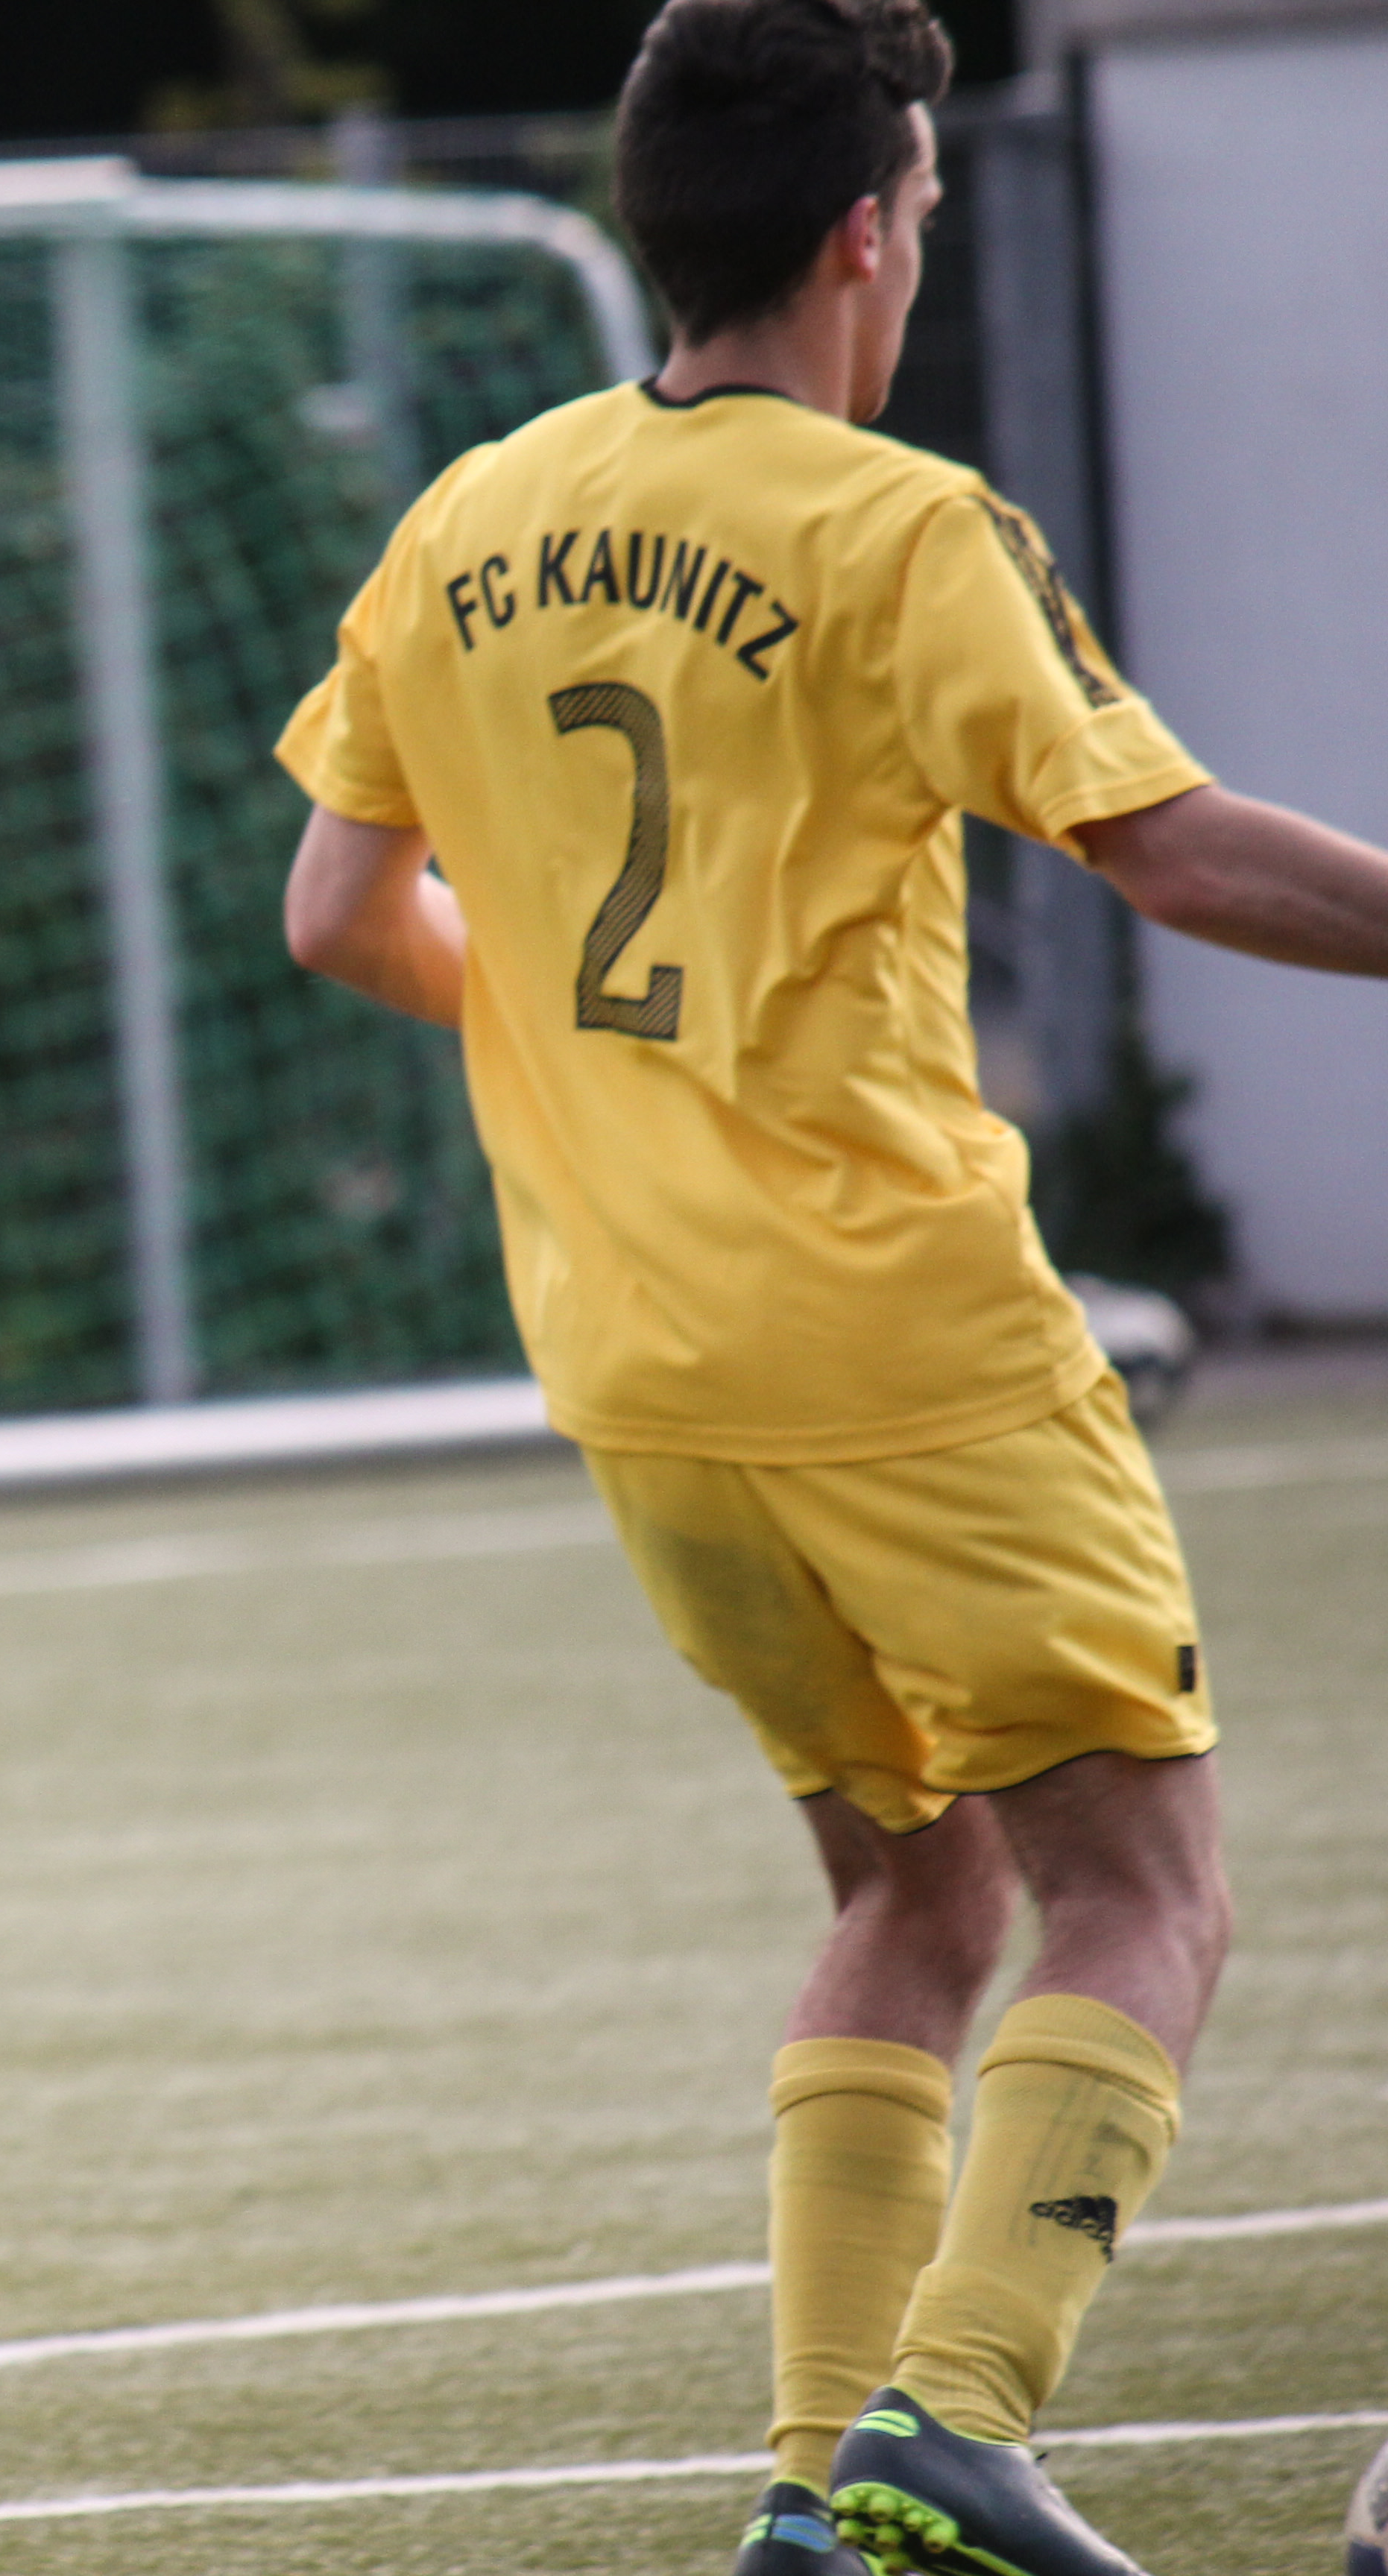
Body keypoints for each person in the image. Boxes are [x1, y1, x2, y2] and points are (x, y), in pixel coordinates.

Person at [273, 4, 1388, 2571]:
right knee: (1143, 1888)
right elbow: (1169, 846)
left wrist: (572, 1035)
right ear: (869, 228)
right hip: (903, 1333)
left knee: (911, 1889)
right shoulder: (905, 529)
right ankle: (957, 2418)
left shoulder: (470, 516)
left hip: (638, 1364)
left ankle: (816, 2498)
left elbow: (336, 909)